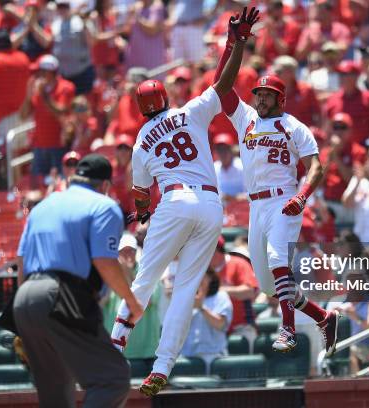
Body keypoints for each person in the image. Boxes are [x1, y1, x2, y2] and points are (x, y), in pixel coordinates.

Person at [110, 7, 260, 397]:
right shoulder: (188, 111)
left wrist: (143, 213)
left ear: (141, 108)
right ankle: (163, 365)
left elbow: (142, 195)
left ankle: (113, 346)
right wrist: (237, 43)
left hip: (174, 201)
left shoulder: (142, 140)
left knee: (145, 281)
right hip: (212, 207)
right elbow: (224, 84)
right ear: (164, 96)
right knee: (186, 288)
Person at [218, 38, 340, 355]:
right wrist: (234, 45)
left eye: (267, 94)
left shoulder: (293, 126)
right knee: (271, 285)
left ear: (280, 98)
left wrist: (302, 197)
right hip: (255, 205)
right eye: (258, 93)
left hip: (284, 199)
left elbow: (316, 167)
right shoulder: (245, 118)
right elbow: (222, 85)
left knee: (277, 261)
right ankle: (323, 317)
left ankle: (287, 329)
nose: (260, 98)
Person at [13, 154, 143, 408]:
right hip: (63, 296)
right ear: (105, 185)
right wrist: (131, 301)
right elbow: (104, 261)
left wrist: (29, 312)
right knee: (112, 379)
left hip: (24, 297)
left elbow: (21, 261)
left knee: (56, 393)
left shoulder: (42, 207)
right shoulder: (103, 205)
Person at [19, 54, 75, 188]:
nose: (38, 75)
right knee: (38, 186)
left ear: (51, 72)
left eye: (41, 72)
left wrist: (44, 95)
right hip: (39, 146)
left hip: (58, 146)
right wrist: (28, 94)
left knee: (60, 185)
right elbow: (23, 114)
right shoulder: (37, 89)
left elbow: (61, 110)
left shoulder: (66, 87)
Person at [102, 233, 160, 360]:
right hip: (117, 351)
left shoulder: (147, 273)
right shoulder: (109, 274)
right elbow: (99, 304)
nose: (127, 255)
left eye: (131, 251)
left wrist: (127, 273)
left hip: (146, 352)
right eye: (123, 251)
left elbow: (147, 301)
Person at [0, 28, 30, 149]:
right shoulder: (23, 57)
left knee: (8, 157)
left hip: (5, 116)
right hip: (24, 114)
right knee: (22, 155)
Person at [209, 236, 258, 350]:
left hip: (241, 327)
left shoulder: (238, 263)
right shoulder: (203, 268)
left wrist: (221, 290)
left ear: (218, 251)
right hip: (212, 327)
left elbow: (250, 291)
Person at [180, 268, 233, 371]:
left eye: (201, 276)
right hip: (188, 357)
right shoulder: (185, 298)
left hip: (215, 357)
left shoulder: (221, 297)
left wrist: (201, 307)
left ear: (211, 279)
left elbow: (221, 324)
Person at [213, 132, 246, 201]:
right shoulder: (214, 168)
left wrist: (233, 198)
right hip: (221, 209)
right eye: (219, 150)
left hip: (242, 208)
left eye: (225, 149)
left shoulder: (242, 166)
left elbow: (252, 194)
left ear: (231, 150)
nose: (222, 153)